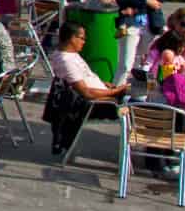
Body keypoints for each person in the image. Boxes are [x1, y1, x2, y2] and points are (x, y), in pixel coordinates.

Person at [44, 19, 127, 157]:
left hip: (102, 96)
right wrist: (116, 91)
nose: (84, 42)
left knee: (139, 98)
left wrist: (103, 84)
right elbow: (86, 92)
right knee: (138, 106)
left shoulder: (71, 54)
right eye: (82, 38)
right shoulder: (66, 60)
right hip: (95, 104)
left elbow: (85, 79)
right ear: (72, 38)